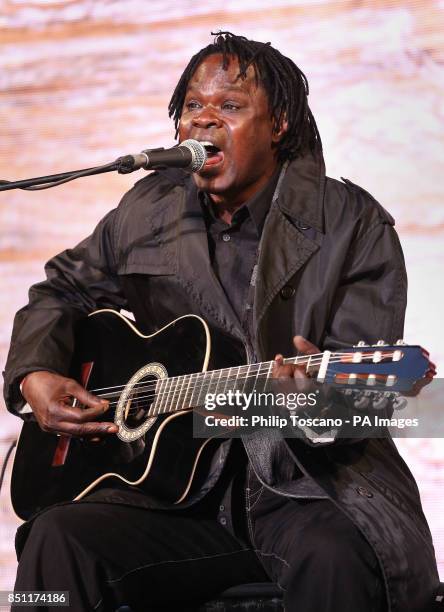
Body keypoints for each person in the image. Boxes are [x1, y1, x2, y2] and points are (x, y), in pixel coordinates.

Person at [3, 32, 439, 612]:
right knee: (59, 542)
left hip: (306, 489)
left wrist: (319, 400)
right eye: (191, 108)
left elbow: (375, 401)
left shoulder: (350, 223)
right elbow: (60, 290)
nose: (203, 123)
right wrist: (37, 372)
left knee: (336, 556)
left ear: (279, 123)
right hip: (171, 497)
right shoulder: (147, 209)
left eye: (229, 107)